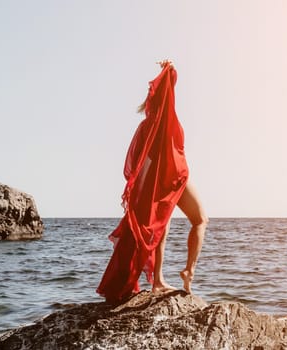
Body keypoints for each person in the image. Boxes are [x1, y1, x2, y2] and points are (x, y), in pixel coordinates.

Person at [97, 60, 207, 303]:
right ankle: (188, 271)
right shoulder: (165, 123)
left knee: (161, 226)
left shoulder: (147, 126)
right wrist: (169, 71)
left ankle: (158, 279)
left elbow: (139, 163)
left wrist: (138, 192)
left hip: (165, 181)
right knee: (199, 220)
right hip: (175, 179)